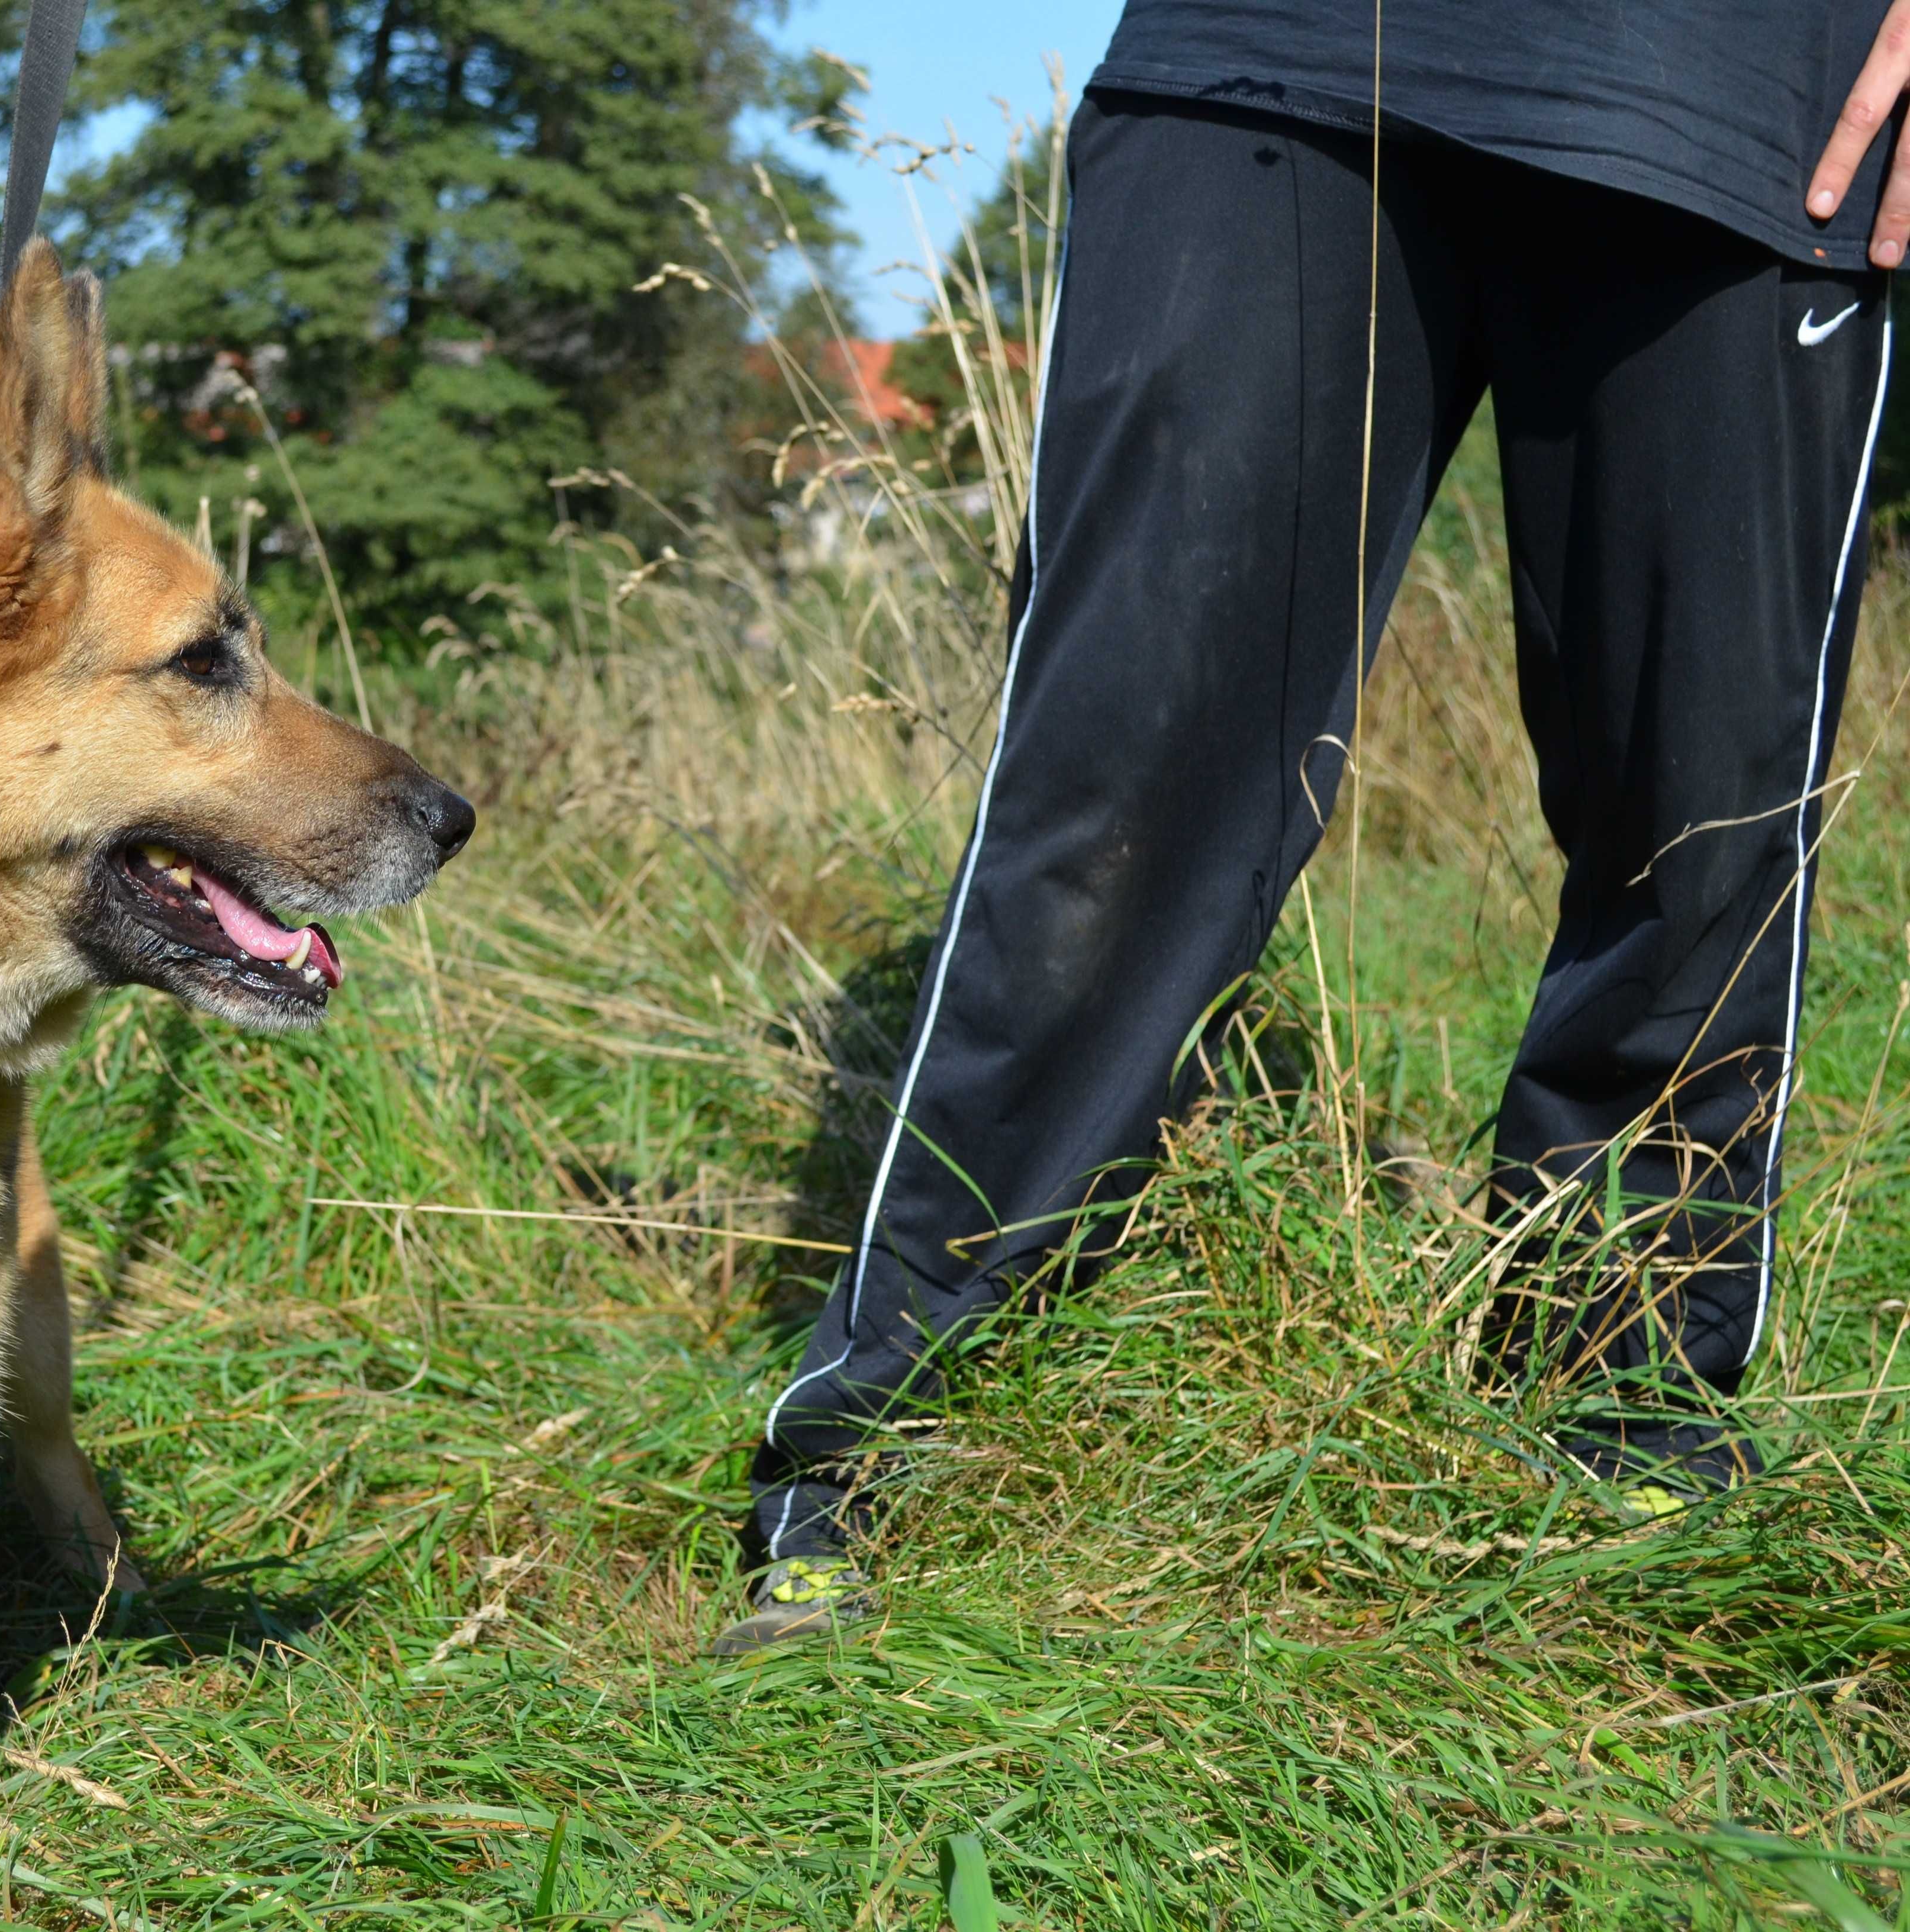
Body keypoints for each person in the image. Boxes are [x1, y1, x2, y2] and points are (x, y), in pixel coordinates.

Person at [714, 0, 1910, 1655]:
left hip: (1754, 108)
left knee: (1701, 817)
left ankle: (1618, 1391)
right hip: (1270, 57)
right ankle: (895, 1420)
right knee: (1122, 787)